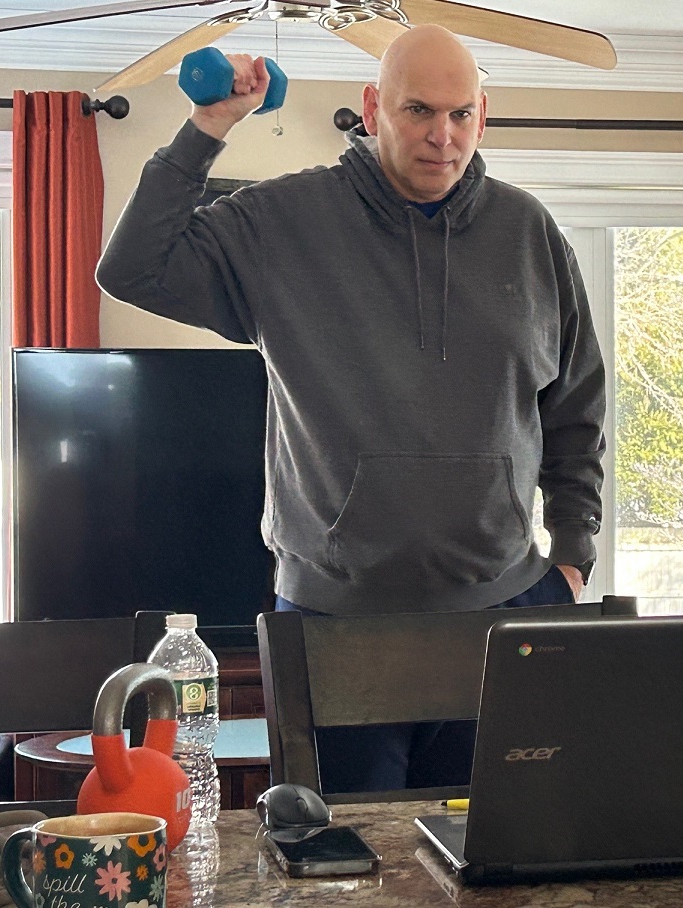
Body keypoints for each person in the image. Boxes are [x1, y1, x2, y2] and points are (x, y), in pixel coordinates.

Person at [96, 25, 605, 792]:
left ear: (483, 116)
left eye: (462, 114)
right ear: (372, 107)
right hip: (337, 624)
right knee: (346, 870)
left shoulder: (531, 232)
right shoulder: (281, 222)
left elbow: (576, 407)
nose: (443, 137)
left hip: (504, 611)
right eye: (418, 111)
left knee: (495, 862)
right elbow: (134, 268)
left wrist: (571, 557)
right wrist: (209, 127)